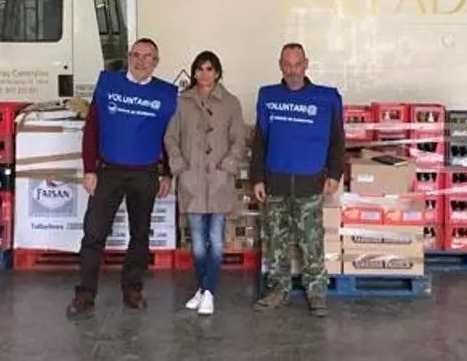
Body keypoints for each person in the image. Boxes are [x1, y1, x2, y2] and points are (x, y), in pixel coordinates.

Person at [66, 38, 177, 320]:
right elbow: (92, 128)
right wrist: (89, 168)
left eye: (148, 56)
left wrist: (168, 172)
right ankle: (85, 293)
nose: (141, 61)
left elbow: (170, 137)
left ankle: (133, 290)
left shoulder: (167, 94)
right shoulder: (108, 83)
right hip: (108, 171)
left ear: (156, 62)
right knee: (94, 233)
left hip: (145, 173)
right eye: (135, 55)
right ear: (128, 57)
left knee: (139, 235)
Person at [251, 43, 345, 318]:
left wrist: (334, 174)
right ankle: (277, 290)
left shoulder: (327, 98)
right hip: (275, 183)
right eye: (287, 64)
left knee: (311, 241)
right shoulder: (267, 96)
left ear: (306, 64)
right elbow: (260, 141)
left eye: (297, 64)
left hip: (309, 184)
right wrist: (257, 178)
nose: (292, 70)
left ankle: (316, 293)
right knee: (276, 242)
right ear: (280, 65)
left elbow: (338, 140)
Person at [164, 51, 246, 316]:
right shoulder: (182, 102)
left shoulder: (231, 103)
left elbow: (239, 139)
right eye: (200, 69)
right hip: (192, 180)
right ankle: (204, 289)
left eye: (209, 69)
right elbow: (171, 137)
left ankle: (208, 291)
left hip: (219, 180)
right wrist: (179, 165)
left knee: (216, 240)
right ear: (194, 72)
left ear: (218, 72)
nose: (204, 74)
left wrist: (228, 165)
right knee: (198, 242)